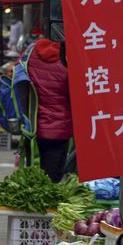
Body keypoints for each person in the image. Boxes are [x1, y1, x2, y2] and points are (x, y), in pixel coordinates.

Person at [26, 37, 73, 182]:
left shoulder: (31, 52)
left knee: (35, 172)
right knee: (53, 176)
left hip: (33, 124)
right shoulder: (68, 58)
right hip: (60, 127)